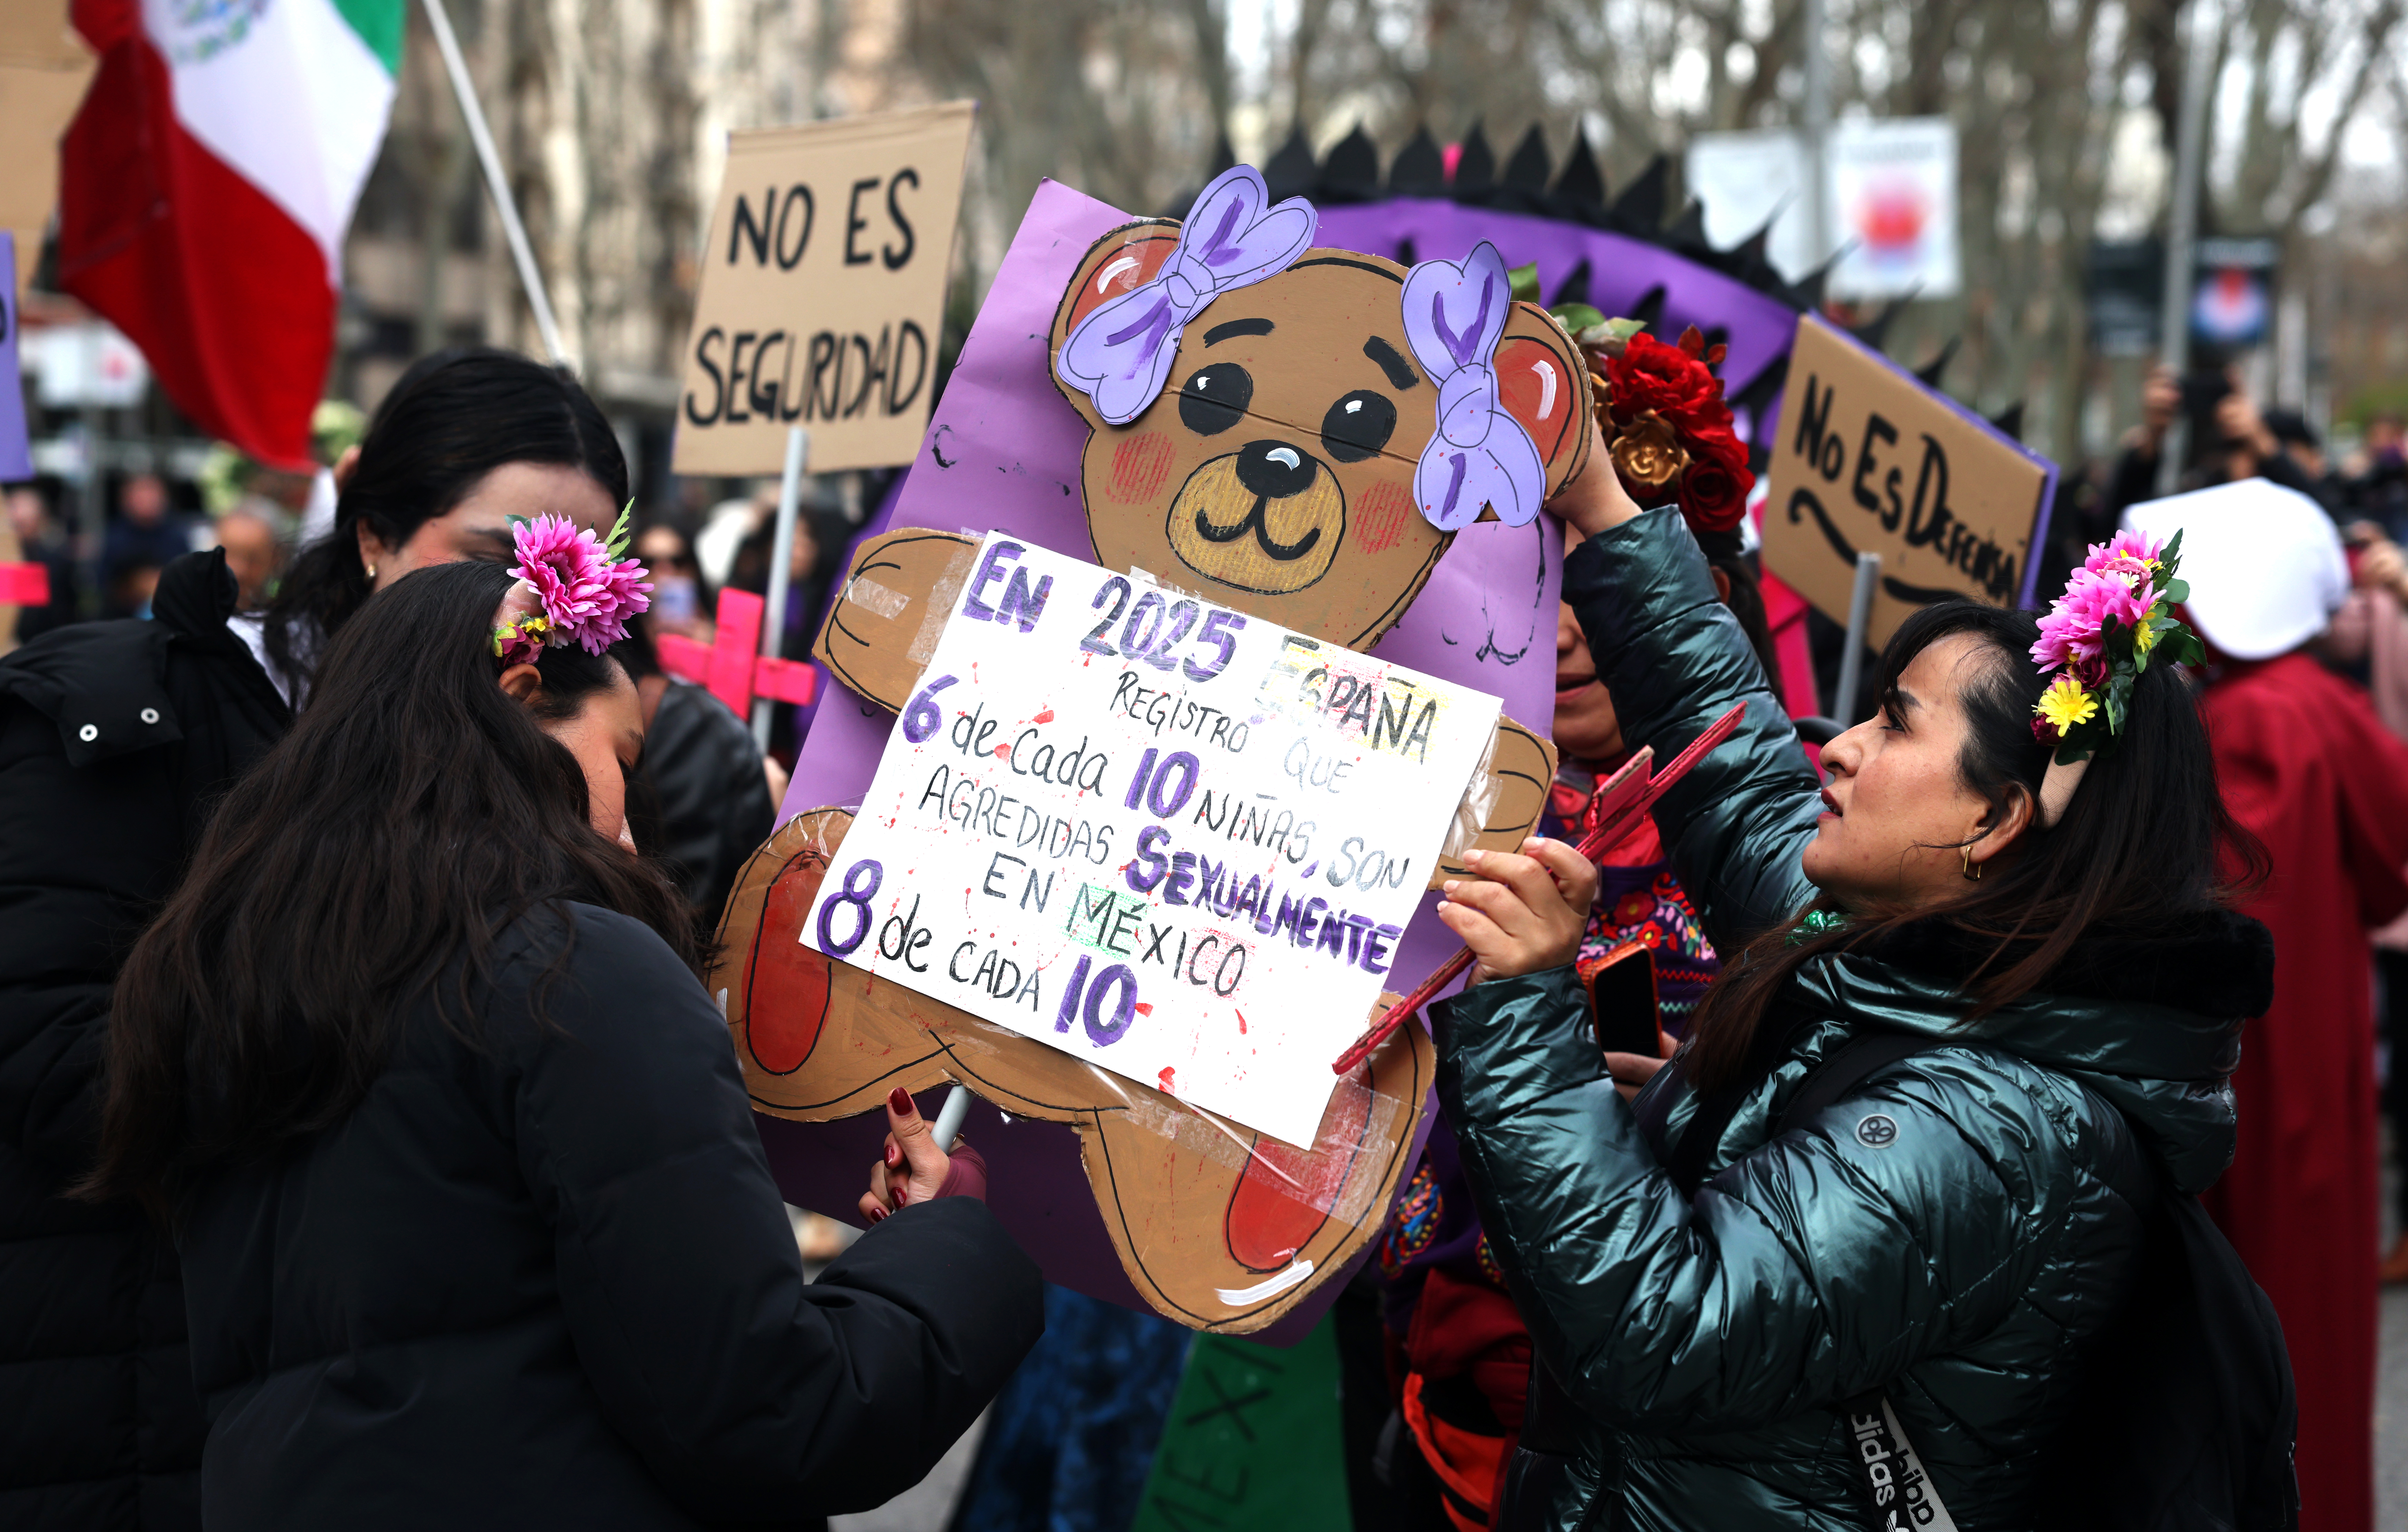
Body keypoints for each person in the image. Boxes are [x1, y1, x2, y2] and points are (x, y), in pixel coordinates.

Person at [78, 548, 1042, 1526]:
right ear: (522, 693)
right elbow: (774, 1414)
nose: (628, 835)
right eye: (622, 759)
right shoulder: (572, 976)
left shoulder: (220, 987)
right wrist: (944, 1244)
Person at [1418, 439, 2275, 1530]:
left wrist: (1530, 1012)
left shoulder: (1998, 1126)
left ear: (1996, 820)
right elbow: (1737, 781)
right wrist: (1601, 498)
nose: (1839, 747)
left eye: (1896, 722)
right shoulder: (1912, 952)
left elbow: (1664, 1329)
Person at [0, 347, 626, 1529]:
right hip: (128, 1427)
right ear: (371, 526)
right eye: (497, 558)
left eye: (574, 580)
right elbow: (63, 1074)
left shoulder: (551, 762)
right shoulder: (120, 717)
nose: (528, 614)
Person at [2128, 478, 2408, 1532]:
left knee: (2258, 1323)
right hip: (2324, 1059)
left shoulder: (2248, 720)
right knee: (2316, 1326)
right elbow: (2388, 866)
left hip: (2255, 1068)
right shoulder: (2315, 702)